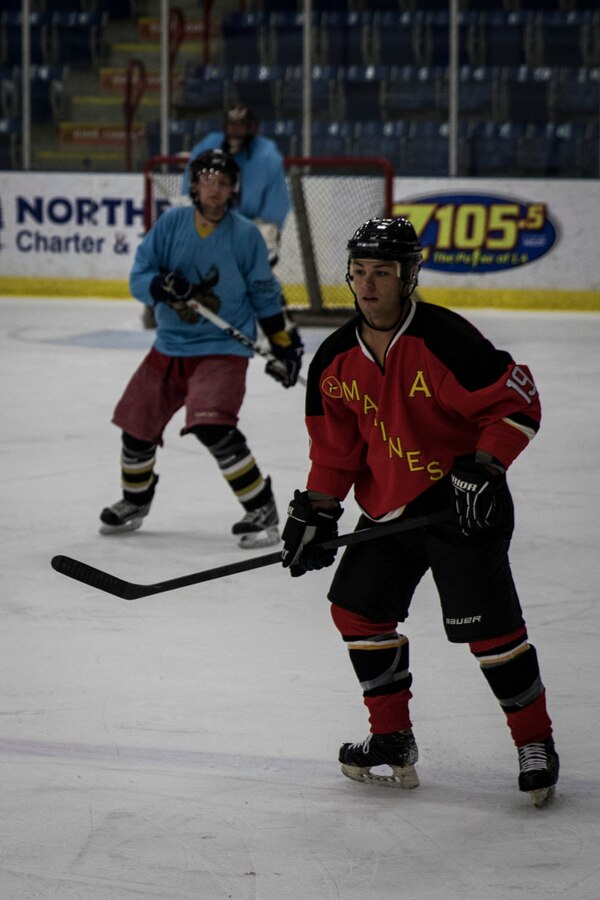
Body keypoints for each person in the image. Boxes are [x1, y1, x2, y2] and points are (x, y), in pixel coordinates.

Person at [279, 217, 559, 807]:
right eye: (359, 271)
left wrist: (485, 466)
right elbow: (334, 451)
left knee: (491, 633)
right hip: (388, 507)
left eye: (382, 272)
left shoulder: (446, 339)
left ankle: (535, 742)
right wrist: (318, 512)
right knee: (357, 611)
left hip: (461, 502)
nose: (367, 284)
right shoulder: (333, 359)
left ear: (409, 276)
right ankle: (391, 739)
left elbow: (517, 403)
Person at [99, 148, 303, 549]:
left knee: (213, 425)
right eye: (207, 181)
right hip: (170, 346)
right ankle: (135, 501)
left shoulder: (245, 235)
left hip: (221, 349)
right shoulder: (171, 224)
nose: (215, 189)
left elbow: (264, 293)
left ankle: (261, 508)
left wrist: (283, 343)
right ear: (194, 186)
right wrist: (159, 286)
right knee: (136, 427)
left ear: (232, 190)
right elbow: (139, 275)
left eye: (223, 183)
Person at [182, 104, 291, 268]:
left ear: (252, 128)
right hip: (212, 219)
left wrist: (267, 226)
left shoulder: (267, 155)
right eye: (231, 126)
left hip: (252, 224)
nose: (235, 132)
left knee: (265, 238)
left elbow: (277, 200)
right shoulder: (208, 146)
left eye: (240, 127)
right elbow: (190, 185)